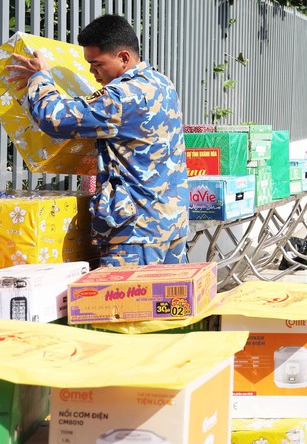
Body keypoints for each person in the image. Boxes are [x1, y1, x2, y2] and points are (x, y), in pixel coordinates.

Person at [7, 14, 189, 267]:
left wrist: (40, 78)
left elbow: (54, 118)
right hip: (171, 224)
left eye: (97, 64)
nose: (92, 73)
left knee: (127, 305)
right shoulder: (161, 83)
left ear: (124, 58)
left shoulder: (123, 96)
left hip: (135, 234)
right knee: (168, 304)